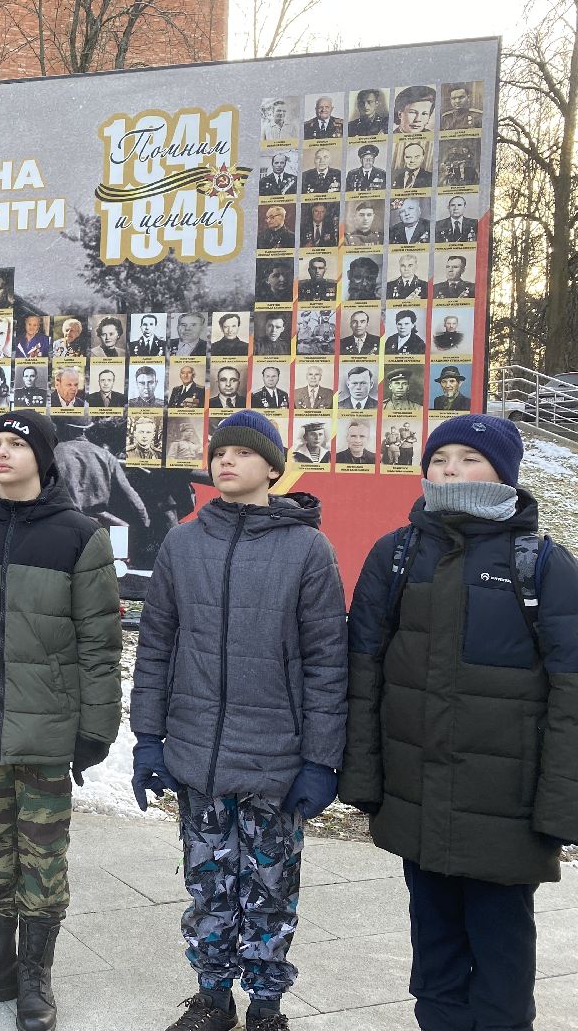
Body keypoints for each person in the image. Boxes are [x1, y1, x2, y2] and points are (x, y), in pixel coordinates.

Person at [340, 414, 577, 1031]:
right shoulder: (395, 555)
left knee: (502, 957)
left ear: (504, 472)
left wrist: (561, 807)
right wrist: (363, 780)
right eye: (440, 458)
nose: (450, 470)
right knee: (435, 953)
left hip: (508, 805)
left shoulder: (544, 566)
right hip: (418, 795)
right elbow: (364, 672)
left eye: (469, 459)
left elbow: (571, 693)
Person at [131, 409, 347, 1031]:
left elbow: (327, 663)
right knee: (207, 887)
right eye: (219, 452)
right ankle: (212, 999)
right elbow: (156, 648)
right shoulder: (184, 541)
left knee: (271, 891)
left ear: (274, 470)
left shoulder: (307, 548)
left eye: (243, 453)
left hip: (276, 762)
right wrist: (149, 739)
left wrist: (320, 759)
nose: (226, 461)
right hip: (199, 758)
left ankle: (267, 1008)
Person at [0, 409, 120, 1029]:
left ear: (43, 455)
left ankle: (34, 971)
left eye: (16, 444)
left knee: (41, 854)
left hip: (47, 726)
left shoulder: (78, 535)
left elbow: (98, 640)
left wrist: (96, 727)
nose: (2, 454)